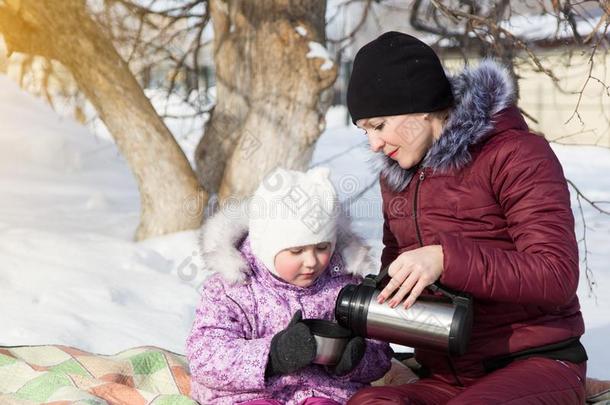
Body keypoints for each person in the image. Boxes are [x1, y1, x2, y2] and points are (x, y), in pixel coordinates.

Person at [345, 31, 588, 404]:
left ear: (421, 106)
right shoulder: (396, 179)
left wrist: (446, 259)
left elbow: (556, 274)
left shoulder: (516, 155)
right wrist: (353, 328)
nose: (373, 144)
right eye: (365, 131)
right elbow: (395, 283)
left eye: (379, 125)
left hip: (532, 361)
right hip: (442, 373)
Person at [186, 167, 392, 405]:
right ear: (266, 246)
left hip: (324, 392)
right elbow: (205, 357)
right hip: (249, 396)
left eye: (322, 247)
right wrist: (273, 355)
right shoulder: (231, 289)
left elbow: (380, 352)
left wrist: (355, 360)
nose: (312, 261)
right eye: (297, 251)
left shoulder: (345, 284)